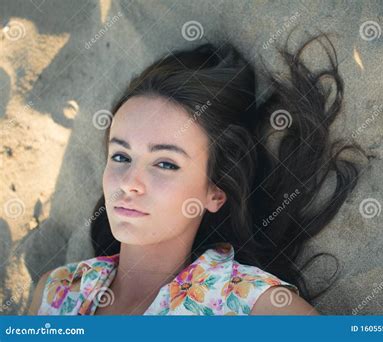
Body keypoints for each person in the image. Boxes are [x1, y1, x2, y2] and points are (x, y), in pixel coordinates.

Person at [28, 32, 362, 315]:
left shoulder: (250, 304)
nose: (129, 183)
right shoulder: (56, 293)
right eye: (120, 155)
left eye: (166, 163)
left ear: (214, 192)